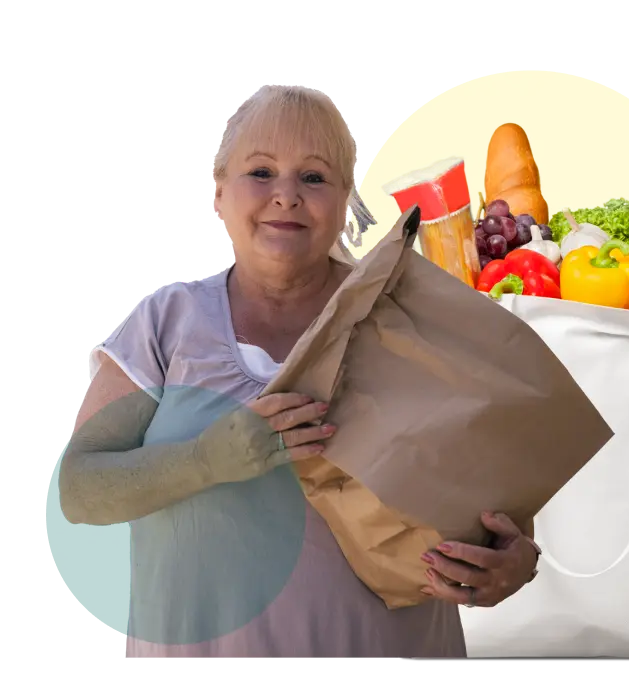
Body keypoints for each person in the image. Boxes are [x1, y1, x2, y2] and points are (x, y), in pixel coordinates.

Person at [59, 84, 542, 664]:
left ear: (346, 202)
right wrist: (205, 460)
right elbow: (80, 491)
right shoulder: (167, 322)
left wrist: (515, 563)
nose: (286, 196)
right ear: (218, 192)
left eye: (314, 177)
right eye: (260, 172)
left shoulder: (407, 316)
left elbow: (506, 500)